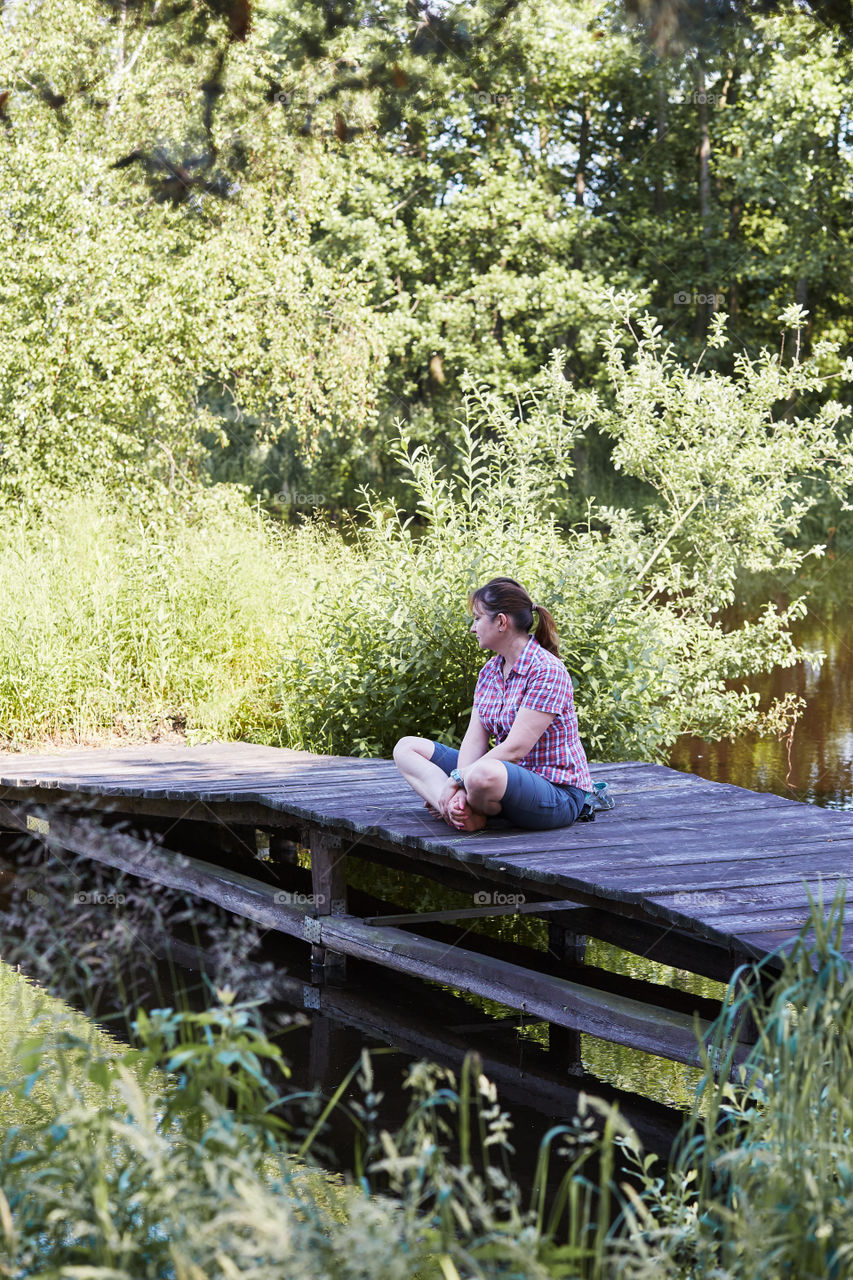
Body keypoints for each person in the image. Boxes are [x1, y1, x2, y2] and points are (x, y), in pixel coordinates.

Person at [393, 577, 594, 832]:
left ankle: (461, 806)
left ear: (501, 622)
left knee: (482, 774)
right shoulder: (490, 671)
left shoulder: (547, 670)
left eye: (477, 618)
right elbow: (474, 740)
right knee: (407, 748)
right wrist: (459, 782)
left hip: (556, 793)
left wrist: (456, 779)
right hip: (501, 779)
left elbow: (515, 749)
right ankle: (460, 811)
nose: (472, 628)